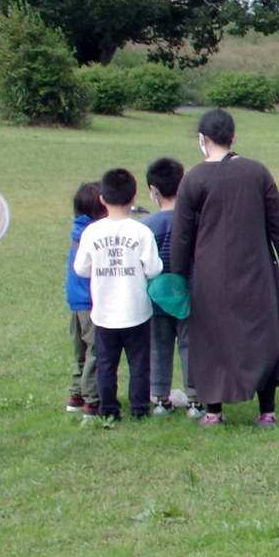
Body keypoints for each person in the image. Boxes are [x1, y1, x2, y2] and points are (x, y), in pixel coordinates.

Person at [173, 110, 279, 428]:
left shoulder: (192, 179)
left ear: (203, 140)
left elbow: (181, 237)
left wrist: (176, 278)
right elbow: (276, 223)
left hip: (209, 276)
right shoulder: (257, 172)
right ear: (234, 137)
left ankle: (214, 411)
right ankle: (266, 410)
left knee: (210, 337)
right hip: (257, 269)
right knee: (265, 334)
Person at [73, 170, 162, 425]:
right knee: (139, 364)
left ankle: (109, 408)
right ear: (132, 197)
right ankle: (139, 408)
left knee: (106, 364)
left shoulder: (91, 232)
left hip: (104, 312)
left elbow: (81, 268)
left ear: (102, 199)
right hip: (136, 311)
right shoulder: (140, 231)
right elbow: (154, 268)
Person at [142, 158, 192, 415]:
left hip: (157, 298)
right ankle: (195, 399)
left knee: (159, 347)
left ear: (153, 190)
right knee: (189, 346)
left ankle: (160, 398)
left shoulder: (146, 226)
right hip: (188, 297)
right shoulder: (193, 221)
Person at [62, 181, 103, 415]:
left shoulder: (77, 231)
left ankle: (76, 395)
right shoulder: (94, 236)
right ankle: (92, 399)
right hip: (90, 302)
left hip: (75, 302)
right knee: (95, 351)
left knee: (80, 352)